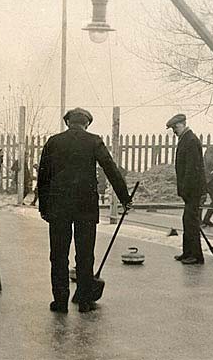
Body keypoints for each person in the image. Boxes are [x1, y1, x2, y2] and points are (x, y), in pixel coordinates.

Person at [38, 107, 132, 313]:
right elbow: (111, 169)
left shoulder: (53, 142)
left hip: (58, 207)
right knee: (85, 253)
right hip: (86, 207)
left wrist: (44, 207)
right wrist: (125, 199)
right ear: (87, 123)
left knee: (59, 255)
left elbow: (43, 176)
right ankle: (84, 301)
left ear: (68, 123)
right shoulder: (94, 141)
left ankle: (60, 301)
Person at [166, 114, 207, 265]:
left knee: (191, 222)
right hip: (190, 189)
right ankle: (188, 252)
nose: (174, 131)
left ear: (181, 125)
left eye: (175, 128)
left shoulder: (190, 140)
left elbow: (191, 169)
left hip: (193, 189)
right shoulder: (186, 139)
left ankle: (196, 256)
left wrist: (185, 189)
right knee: (187, 221)